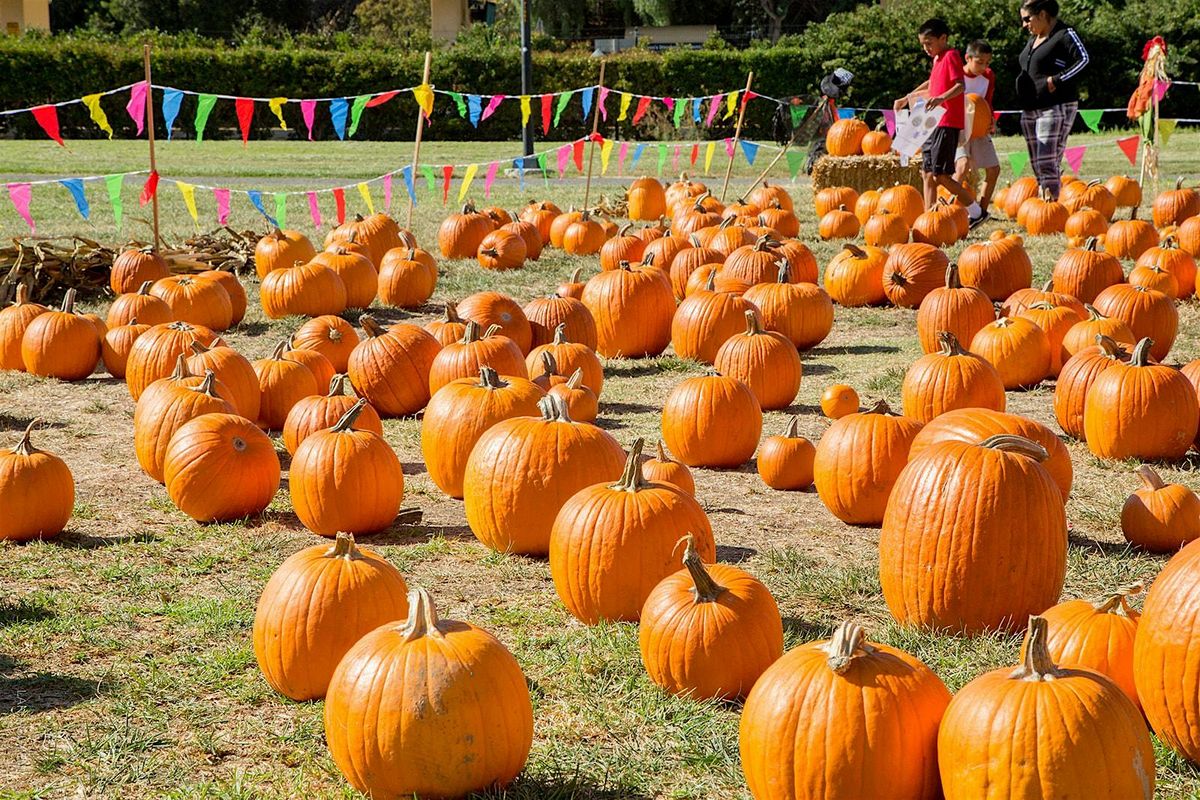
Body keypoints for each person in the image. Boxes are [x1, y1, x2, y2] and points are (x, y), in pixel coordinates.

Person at [894, 18, 986, 227]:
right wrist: (907, 97)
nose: (926, 48)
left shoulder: (951, 55)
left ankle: (976, 211)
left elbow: (960, 85)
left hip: (946, 121)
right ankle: (928, 220)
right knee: (927, 173)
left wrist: (941, 98)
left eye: (929, 43)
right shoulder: (937, 59)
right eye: (923, 44)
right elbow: (932, 82)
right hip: (930, 121)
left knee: (941, 175)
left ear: (943, 38)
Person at [1016, 0, 1090, 199]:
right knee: (1036, 162)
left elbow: (1083, 59)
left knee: (1047, 160)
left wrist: (1056, 80)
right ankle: (1044, 198)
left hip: (1055, 106)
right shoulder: (1034, 39)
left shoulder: (1064, 34)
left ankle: (1050, 206)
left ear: (1042, 14)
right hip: (1030, 107)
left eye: (1027, 19)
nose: (1024, 24)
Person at [954, 40, 1002, 216]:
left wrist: (991, 118)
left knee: (994, 169)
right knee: (962, 166)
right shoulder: (957, 74)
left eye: (987, 62)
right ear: (968, 58)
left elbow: (987, 101)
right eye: (979, 62)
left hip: (979, 127)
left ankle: (980, 212)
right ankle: (946, 208)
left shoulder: (989, 76)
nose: (984, 66)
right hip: (959, 128)